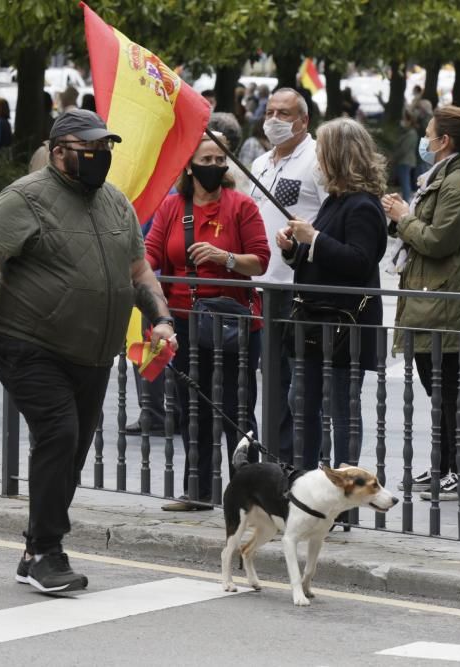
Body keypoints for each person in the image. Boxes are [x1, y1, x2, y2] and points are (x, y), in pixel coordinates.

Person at [0, 109, 176, 593]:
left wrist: (161, 319)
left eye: (106, 149)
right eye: (89, 148)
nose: (101, 157)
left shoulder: (116, 203)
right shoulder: (23, 199)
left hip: (93, 353)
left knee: (71, 448)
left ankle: (35, 546)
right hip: (29, 343)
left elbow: (139, 273)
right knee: (59, 432)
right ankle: (48, 554)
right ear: (58, 153)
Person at [145, 132, 269, 510]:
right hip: (182, 322)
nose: (214, 166)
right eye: (207, 160)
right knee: (190, 407)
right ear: (189, 165)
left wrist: (224, 257)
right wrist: (142, 285)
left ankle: (250, 495)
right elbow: (151, 253)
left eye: (220, 160)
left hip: (233, 324)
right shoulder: (171, 207)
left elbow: (260, 261)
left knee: (238, 409)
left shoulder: (242, 206)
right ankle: (196, 491)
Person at [382, 105, 460, 502]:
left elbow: (438, 241)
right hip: (430, 297)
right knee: (439, 389)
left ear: (443, 142)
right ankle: (442, 468)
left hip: (447, 299)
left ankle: (459, 475)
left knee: (451, 390)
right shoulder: (441, 177)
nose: (426, 142)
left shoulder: (458, 181)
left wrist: (404, 216)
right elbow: (423, 234)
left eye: (429, 136)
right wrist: (401, 218)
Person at [277, 118, 388, 471]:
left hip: (343, 327)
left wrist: (315, 239)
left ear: (338, 157)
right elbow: (323, 258)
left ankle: (346, 487)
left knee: (341, 408)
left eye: (322, 153)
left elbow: (359, 261)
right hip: (315, 322)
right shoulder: (337, 201)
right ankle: (306, 479)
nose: (317, 161)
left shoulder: (363, 206)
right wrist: (294, 250)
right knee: (302, 401)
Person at [248, 88, 328, 466]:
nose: (274, 120)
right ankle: (276, 463)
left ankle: (307, 465)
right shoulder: (262, 161)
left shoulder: (317, 161)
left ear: (304, 120)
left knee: (302, 387)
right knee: (273, 383)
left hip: (298, 291)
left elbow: (330, 218)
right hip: (262, 288)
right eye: (270, 112)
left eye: (284, 113)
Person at [391, 109, 419, 201]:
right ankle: (406, 200)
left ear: (409, 120)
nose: (403, 121)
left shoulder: (411, 133)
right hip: (404, 161)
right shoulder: (408, 132)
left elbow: (403, 149)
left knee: (405, 183)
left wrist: (393, 158)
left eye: (404, 119)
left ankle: (406, 201)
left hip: (405, 161)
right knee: (404, 183)